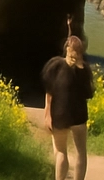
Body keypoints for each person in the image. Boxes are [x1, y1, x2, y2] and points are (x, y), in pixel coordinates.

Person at [41, 30, 94, 180]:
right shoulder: (85, 70)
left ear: (66, 49)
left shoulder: (55, 65)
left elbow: (49, 92)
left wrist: (47, 114)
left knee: (60, 152)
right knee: (81, 152)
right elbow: (88, 94)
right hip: (79, 116)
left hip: (60, 114)